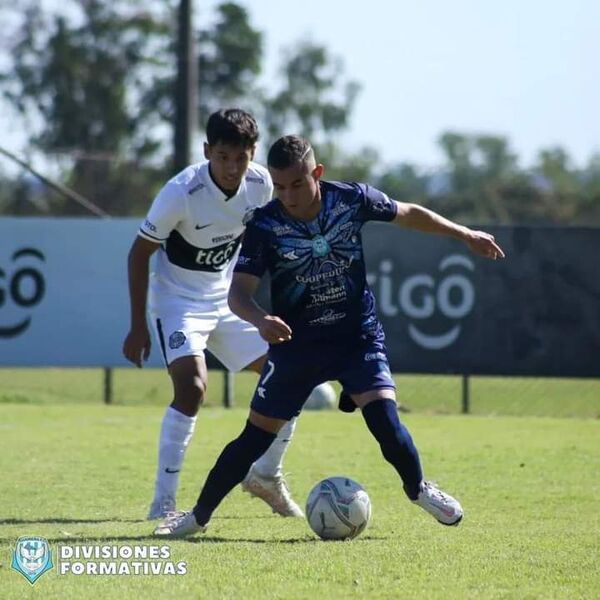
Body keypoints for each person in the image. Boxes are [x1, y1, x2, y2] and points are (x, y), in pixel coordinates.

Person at [153, 134, 505, 538]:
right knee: (252, 438)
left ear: (316, 173)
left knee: (385, 420)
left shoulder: (351, 199)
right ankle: (196, 516)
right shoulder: (265, 225)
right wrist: (260, 320)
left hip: (356, 338)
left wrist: (464, 234)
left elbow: (408, 212)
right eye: (280, 186)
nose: (288, 195)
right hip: (296, 348)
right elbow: (238, 294)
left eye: (297, 184)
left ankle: (419, 489)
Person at [122, 111, 305, 521]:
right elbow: (139, 253)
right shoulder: (181, 192)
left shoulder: (261, 185)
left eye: (240, 158)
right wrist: (137, 325)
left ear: (252, 154)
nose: (231, 167)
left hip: (228, 299)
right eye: (222, 157)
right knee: (192, 388)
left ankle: (265, 476)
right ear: (207, 152)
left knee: (291, 377)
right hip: (178, 302)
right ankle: (163, 504)